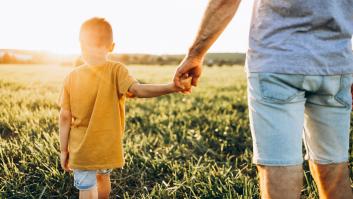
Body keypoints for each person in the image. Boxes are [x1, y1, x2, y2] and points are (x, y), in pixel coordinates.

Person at [174, 0, 353, 198]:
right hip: (336, 64)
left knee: (279, 163)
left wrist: (195, 54)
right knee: (334, 163)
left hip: (277, 62)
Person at [59, 17, 191, 199]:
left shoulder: (71, 77)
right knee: (103, 179)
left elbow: (65, 117)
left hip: (81, 150)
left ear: (81, 45)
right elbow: (139, 90)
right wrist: (172, 87)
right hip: (107, 147)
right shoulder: (117, 70)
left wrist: (63, 150)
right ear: (111, 46)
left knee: (87, 188)